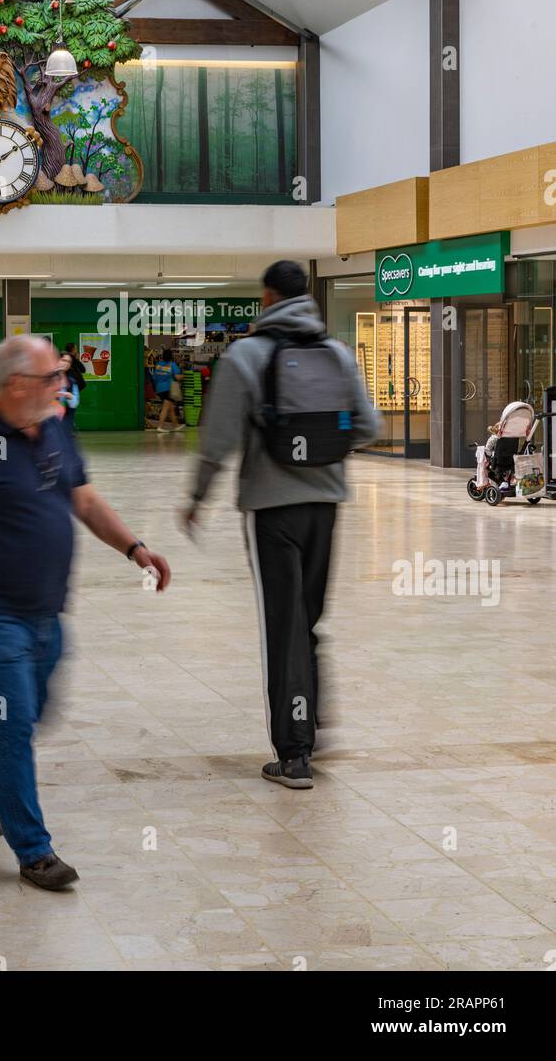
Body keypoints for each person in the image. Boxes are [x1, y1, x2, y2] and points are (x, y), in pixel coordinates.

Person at [0, 335, 171, 891]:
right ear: (16, 385)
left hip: (47, 616)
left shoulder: (54, 429)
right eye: (53, 377)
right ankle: (34, 851)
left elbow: (87, 501)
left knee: (35, 712)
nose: (62, 386)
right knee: (15, 722)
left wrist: (135, 548)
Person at [183, 261, 380, 791]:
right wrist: (324, 450)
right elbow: (369, 425)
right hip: (327, 506)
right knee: (309, 620)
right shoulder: (337, 354)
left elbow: (218, 438)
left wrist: (196, 498)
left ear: (267, 297)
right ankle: (314, 723)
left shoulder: (246, 355)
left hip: (273, 511)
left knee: (284, 627)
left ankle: (294, 756)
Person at [152, 348, 183, 432]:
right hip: (168, 389)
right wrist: (185, 375)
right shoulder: (172, 365)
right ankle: (160, 426)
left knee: (171, 408)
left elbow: (154, 378)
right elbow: (177, 377)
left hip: (159, 389)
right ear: (171, 356)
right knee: (166, 407)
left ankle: (176, 426)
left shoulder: (158, 365)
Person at [57, 351, 80, 433]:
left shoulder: (72, 381)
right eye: (63, 360)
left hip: (66, 423)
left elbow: (75, 404)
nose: (66, 363)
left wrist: (70, 396)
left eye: (69, 362)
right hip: (50, 422)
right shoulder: (48, 377)